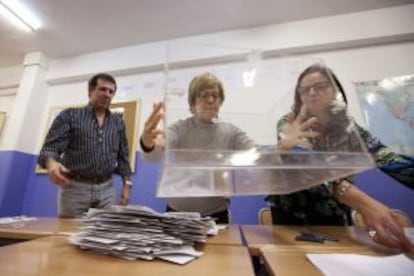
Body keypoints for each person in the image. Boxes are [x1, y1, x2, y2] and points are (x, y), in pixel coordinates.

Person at [267, 64, 414, 251]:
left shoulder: (350, 129)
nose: (312, 93)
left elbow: (387, 158)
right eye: (304, 90)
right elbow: (306, 161)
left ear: (335, 91)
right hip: (291, 217)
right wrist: (363, 202)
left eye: (320, 86)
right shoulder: (290, 123)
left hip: (334, 214)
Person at [140, 72, 254, 223]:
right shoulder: (179, 128)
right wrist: (149, 143)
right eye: (204, 95)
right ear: (193, 102)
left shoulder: (232, 132)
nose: (211, 100)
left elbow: (257, 155)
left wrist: (283, 146)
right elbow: (153, 156)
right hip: (177, 215)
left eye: (215, 95)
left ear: (220, 101)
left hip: (216, 215)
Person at [38, 73, 132, 218]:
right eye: (102, 89)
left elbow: (123, 156)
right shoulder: (70, 116)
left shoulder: (117, 122)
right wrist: (51, 164)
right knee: (68, 235)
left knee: (104, 236)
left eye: (111, 91)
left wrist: (127, 184)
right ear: (90, 91)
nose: (107, 94)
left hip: (107, 189)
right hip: (75, 189)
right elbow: (50, 148)